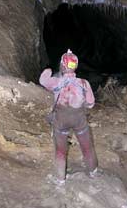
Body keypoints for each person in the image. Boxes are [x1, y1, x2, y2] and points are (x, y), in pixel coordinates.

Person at [39, 49, 98, 185]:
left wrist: (48, 70)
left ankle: (60, 180)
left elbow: (43, 80)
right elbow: (90, 104)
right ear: (75, 66)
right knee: (87, 147)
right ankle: (93, 172)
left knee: (60, 151)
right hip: (79, 120)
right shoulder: (84, 83)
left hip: (61, 120)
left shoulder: (57, 82)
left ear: (62, 66)